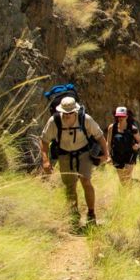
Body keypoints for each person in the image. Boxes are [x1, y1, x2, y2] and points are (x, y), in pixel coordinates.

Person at [39, 96, 109, 229]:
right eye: (64, 113)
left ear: (75, 111)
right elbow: (44, 140)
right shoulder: (54, 121)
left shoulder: (85, 119)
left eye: (70, 113)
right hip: (64, 155)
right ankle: (74, 216)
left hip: (84, 154)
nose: (67, 115)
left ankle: (91, 214)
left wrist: (106, 154)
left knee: (86, 181)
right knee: (70, 186)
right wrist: (45, 160)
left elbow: (99, 136)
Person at [107, 106, 140, 185]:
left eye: (122, 116)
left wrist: (137, 146)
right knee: (122, 180)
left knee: (127, 177)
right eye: (118, 116)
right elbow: (109, 143)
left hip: (129, 155)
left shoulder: (133, 128)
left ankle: (129, 194)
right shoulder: (112, 128)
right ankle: (135, 183)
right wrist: (109, 156)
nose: (120, 118)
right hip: (117, 155)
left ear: (127, 116)